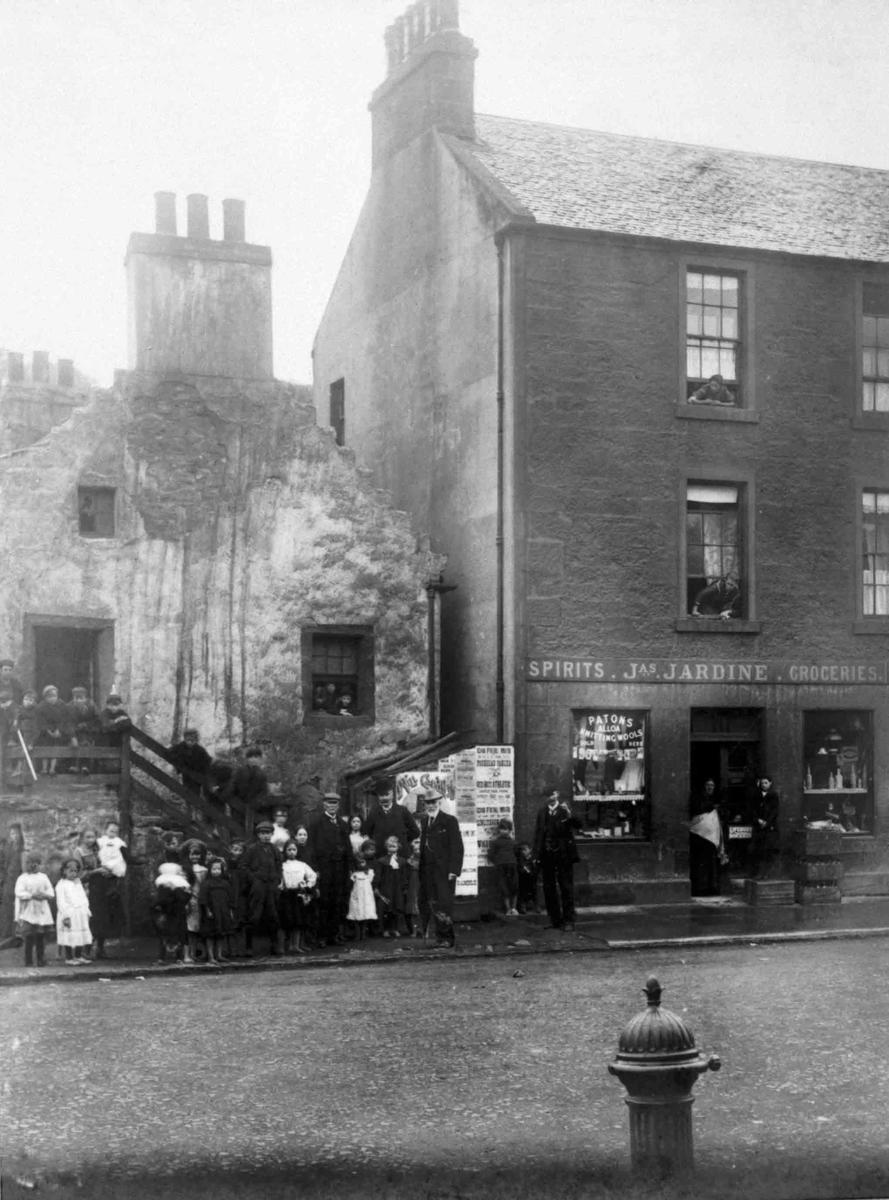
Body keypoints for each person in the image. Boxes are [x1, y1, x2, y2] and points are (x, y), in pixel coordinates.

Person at [418, 788, 464, 948]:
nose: (430, 806)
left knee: (445, 903)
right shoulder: (425, 821)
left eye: (433, 802)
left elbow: (457, 847)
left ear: (439, 802)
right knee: (433, 903)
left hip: (444, 872)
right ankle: (439, 937)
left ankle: (447, 938)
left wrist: (454, 870)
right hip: (428, 871)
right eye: (427, 803)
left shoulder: (449, 820)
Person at [307, 792, 352, 946]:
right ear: (324, 804)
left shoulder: (342, 824)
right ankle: (321, 937)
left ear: (338, 806)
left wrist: (349, 867)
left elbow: (348, 848)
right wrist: (315, 869)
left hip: (339, 868)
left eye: (335, 804)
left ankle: (334, 935)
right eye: (329, 803)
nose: (332, 806)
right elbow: (311, 847)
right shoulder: (316, 823)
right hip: (324, 868)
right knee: (324, 902)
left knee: (337, 901)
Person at [533, 788, 581, 932]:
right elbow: (538, 834)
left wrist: (570, 814)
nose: (550, 797)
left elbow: (578, 825)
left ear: (557, 794)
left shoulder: (565, 809)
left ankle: (569, 921)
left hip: (564, 854)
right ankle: (555, 920)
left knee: (566, 887)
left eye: (552, 794)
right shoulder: (542, 812)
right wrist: (536, 855)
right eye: (547, 795)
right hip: (547, 854)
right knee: (549, 888)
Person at [241, 820, 283, 956]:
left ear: (272, 834)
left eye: (268, 833)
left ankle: (275, 946)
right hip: (258, 886)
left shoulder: (274, 849)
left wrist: (277, 879)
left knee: (273, 916)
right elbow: (243, 866)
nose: (265, 836)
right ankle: (249, 947)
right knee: (254, 915)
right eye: (263, 833)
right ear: (258, 835)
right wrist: (253, 879)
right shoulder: (252, 849)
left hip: (271, 886)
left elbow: (279, 866)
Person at [89, 822, 129, 958]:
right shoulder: (98, 844)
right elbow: (94, 860)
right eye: (110, 831)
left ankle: (101, 947)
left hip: (110, 882)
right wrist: (101, 869)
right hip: (96, 882)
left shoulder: (119, 844)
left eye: (115, 832)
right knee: (95, 915)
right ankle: (89, 948)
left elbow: (122, 860)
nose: (113, 834)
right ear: (105, 830)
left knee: (106, 915)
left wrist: (114, 872)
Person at [688, 779, 727, 897]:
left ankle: (711, 886)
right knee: (702, 861)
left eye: (712, 785)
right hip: (701, 836)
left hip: (712, 836)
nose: (710, 787)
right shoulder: (699, 798)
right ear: (704, 786)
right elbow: (697, 810)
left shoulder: (715, 798)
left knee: (711, 861)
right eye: (708, 785)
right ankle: (701, 887)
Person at [15, 852, 54, 967]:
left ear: (40, 865)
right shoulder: (22, 878)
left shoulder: (43, 877)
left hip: (41, 909)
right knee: (29, 936)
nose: (33, 866)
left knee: (40, 936)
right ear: (26, 864)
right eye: (30, 863)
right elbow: (19, 892)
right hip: (29, 909)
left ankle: (41, 959)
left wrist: (44, 895)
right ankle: (28, 960)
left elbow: (51, 892)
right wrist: (31, 895)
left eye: (36, 864)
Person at [279, 840, 318, 954]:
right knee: (285, 920)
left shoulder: (302, 865)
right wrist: (281, 885)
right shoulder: (282, 865)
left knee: (298, 920)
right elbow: (279, 879)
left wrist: (306, 885)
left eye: (294, 850)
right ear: (285, 851)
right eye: (289, 850)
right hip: (286, 895)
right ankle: (282, 946)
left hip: (298, 894)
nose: (291, 852)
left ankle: (295, 945)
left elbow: (312, 875)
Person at [365, 777, 420, 856]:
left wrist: (402, 839)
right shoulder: (374, 813)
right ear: (378, 796)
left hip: (400, 855)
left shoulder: (402, 811)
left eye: (387, 794)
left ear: (392, 794)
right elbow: (368, 832)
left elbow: (415, 832)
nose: (384, 798)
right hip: (381, 855)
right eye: (381, 795)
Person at [151, 862, 191, 964]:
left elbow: (184, 899)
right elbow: (160, 900)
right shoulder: (163, 885)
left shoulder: (183, 886)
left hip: (179, 914)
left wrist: (175, 889)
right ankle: (161, 957)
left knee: (179, 935)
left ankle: (179, 957)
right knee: (164, 936)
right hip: (167, 914)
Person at [199, 857, 235, 965]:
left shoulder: (225, 884)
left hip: (223, 911)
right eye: (214, 869)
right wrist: (208, 910)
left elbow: (230, 899)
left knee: (221, 934)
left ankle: (219, 954)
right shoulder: (206, 884)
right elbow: (203, 899)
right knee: (210, 934)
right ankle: (211, 956)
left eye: (218, 869)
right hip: (212, 912)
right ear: (209, 870)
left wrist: (230, 911)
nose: (216, 871)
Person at [55, 859, 92, 964]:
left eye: (76, 871)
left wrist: (85, 909)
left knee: (80, 934)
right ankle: (69, 958)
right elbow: (61, 901)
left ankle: (78, 955)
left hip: (80, 913)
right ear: (64, 871)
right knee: (69, 935)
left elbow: (83, 897)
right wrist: (66, 915)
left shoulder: (77, 883)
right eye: (71, 871)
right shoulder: (61, 884)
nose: (73, 874)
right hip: (69, 913)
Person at [226, 746, 270, 832]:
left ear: (260, 759)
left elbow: (264, 791)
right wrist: (233, 801)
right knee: (237, 830)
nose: (253, 759)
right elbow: (232, 786)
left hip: (254, 809)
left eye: (256, 757)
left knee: (253, 830)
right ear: (247, 759)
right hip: (238, 808)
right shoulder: (240, 771)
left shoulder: (262, 775)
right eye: (251, 757)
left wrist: (257, 802)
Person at [374, 834, 408, 938]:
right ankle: (385, 929)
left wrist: (405, 887)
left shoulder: (402, 861)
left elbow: (404, 875)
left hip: (397, 888)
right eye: (390, 846)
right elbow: (378, 875)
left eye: (394, 846)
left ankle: (396, 929)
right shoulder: (382, 861)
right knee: (386, 908)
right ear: (386, 847)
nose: (392, 848)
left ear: (398, 847)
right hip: (386, 887)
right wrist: (377, 887)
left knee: (396, 908)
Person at [35, 685, 73, 774]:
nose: (52, 699)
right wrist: (48, 730)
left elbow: (65, 719)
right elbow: (40, 722)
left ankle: (52, 768)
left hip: (58, 732)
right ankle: (44, 768)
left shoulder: (62, 705)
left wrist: (59, 730)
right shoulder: (41, 707)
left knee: (55, 749)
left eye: (54, 696)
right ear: (45, 697)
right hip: (45, 733)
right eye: (49, 697)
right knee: (45, 749)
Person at [182, 840, 209, 964]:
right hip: (190, 900)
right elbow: (184, 886)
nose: (195, 857)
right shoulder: (186, 869)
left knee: (200, 927)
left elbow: (204, 885)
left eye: (197, 854)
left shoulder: (204, 869)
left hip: (201, 900)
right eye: (192, 854)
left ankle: (200, 952)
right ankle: (190, 953)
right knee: (190, 928)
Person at [749, 774, 780, 880]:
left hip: (769, 827)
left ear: (770, 783)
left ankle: (767, 874)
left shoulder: (773, 795)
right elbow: (752, 810)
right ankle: (758, 873)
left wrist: (767, 822)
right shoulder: (756, 795)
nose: (764, 785)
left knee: (769, 851)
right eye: (762, 783)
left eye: (766, 783)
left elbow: (775, 811)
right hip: (758, 827)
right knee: (758, 851)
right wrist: (758, 820)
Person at [0, 823, 27, 942]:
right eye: (12, 833)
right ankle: (6, 933)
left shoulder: (22, 849)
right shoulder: (6, 848)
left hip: (19, 880)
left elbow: (24, 867)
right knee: (7, 905)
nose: (14, 836)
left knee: (20, 906)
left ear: (20, 835)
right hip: (8, 880)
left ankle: (18, 933)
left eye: (16, 833)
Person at [486, 818, 519, 916]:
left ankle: (514, 908)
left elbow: (517, 853)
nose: (503, 831)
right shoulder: (496, 842)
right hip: (501, 867)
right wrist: (498, 862)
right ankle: (508, 909)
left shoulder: (513, 842)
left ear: (510, 830)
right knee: (504, 887)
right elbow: (490, 855)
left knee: (514, 886)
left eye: (506, 829)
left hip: (512, 866)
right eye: (501, 829)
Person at [168, 728, 213, 797]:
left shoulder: (200, 750)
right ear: (185, 738)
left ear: (196, 740)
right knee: (186, 790)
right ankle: (188, 805)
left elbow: (208, 761)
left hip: (197, 774)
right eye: (188, 739)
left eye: (193, 740)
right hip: (186, 773)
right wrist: (179, 763)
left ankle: (195, 805)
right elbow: (171, 752)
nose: (190, 742)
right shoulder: (181, 746)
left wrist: (204, 773)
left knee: (195, 792)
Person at [347, 840, 377, 941]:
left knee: (365, 913)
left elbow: (371, 879)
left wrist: (367, 870)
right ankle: (357, 933)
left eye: (363, 862)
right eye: (359, 862)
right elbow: (351, 883)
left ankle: (363, 933)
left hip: (366, 897)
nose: (361, 864)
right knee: (356, 913)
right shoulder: (354, 874)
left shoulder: (369, 873)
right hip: (357, 896)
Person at [67, 687, 101, 773]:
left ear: (85, 698)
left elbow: (97, 720)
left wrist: (86, 725)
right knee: (72, 745)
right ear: (73, 698)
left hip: (88, 732)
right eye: (76, 698)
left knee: (86, 743)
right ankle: (73, 765)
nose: (78, 701)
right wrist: (72, 736)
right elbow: (67, 722)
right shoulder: (69, 707)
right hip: (74, 732)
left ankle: (85, 766)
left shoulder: (92, 706)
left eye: (81, 698)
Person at [515, 842, 539, 914]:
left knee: (534, 892)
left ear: (530, 850)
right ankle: (522, 907)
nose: (523, 852)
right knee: (522, 893)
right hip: (524, 879)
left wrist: (533, 871)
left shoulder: (532, 858)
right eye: (522, 850)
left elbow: (536, 867)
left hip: (532, 879)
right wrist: (526, 871)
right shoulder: (520, 859)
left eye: (525, 850)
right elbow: (521, 867)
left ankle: (536, 906)